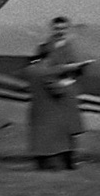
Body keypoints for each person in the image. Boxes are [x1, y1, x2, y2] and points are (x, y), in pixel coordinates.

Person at [25, 17, 89, 170]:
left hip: (67, 90)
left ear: (67, 29)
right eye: (57, 28)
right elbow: (40, 66)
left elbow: (80, 70)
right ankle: (55, 158)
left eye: (63, 28)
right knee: (54, 126)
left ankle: (70, 158)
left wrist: (76, 69)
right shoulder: (45, 47)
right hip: (51, 90)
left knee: (69, 127)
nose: (60, 31)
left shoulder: (73, 47)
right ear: (53, 29)